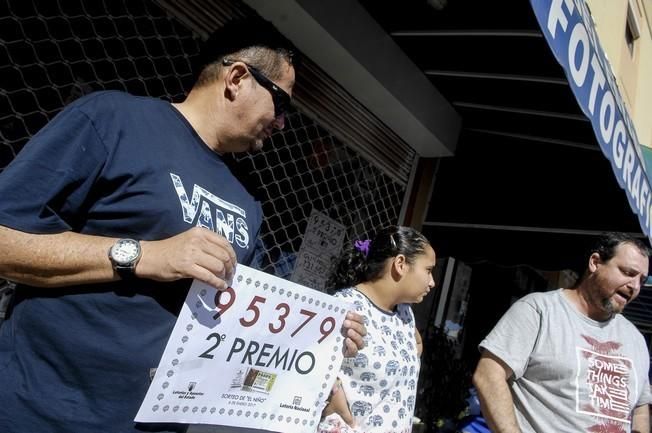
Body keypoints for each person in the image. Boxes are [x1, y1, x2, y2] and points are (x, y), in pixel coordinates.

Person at [0, 17, 365, 433]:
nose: (282, 122)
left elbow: (238, 320)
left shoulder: (248, 198)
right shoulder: (113, 119)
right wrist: (143, 255)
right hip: (38, 413)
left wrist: (319, 340)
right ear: (238, 78)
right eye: (281, 103)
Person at [473, 232, 652, 433]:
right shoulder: (539, 310)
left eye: (642, 279)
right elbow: (488, 375)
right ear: (595, 262)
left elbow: (640, 408)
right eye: (628, 273)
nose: (635, 286)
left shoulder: (635, 338)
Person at [318, 225, 436, 433]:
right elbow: (312, 365)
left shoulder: (405, 314)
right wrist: (332, 391)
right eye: (428, 270)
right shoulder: (345, 308)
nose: (432, 282)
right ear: (400, 264)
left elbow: (409, 352)